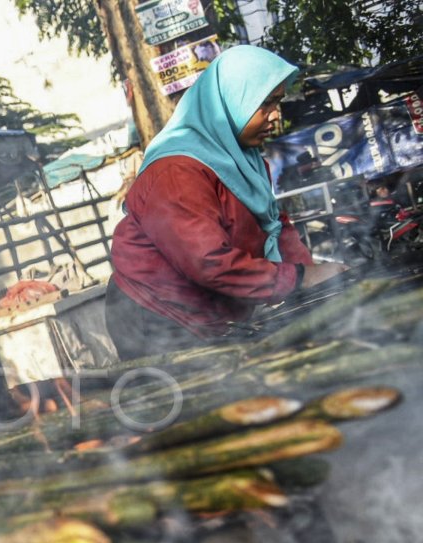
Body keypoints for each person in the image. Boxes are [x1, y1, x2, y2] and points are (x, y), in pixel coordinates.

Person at [106, 45, 348, 360]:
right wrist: (298, 279)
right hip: (155, 312)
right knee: (198, 399)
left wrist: (311, 274)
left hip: (208, 310)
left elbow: (274, 225)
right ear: (232, 102)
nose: (276, 116)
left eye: (278, 102)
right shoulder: (176, 170)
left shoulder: (241, 158)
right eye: (266, 104)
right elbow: (208, 262)